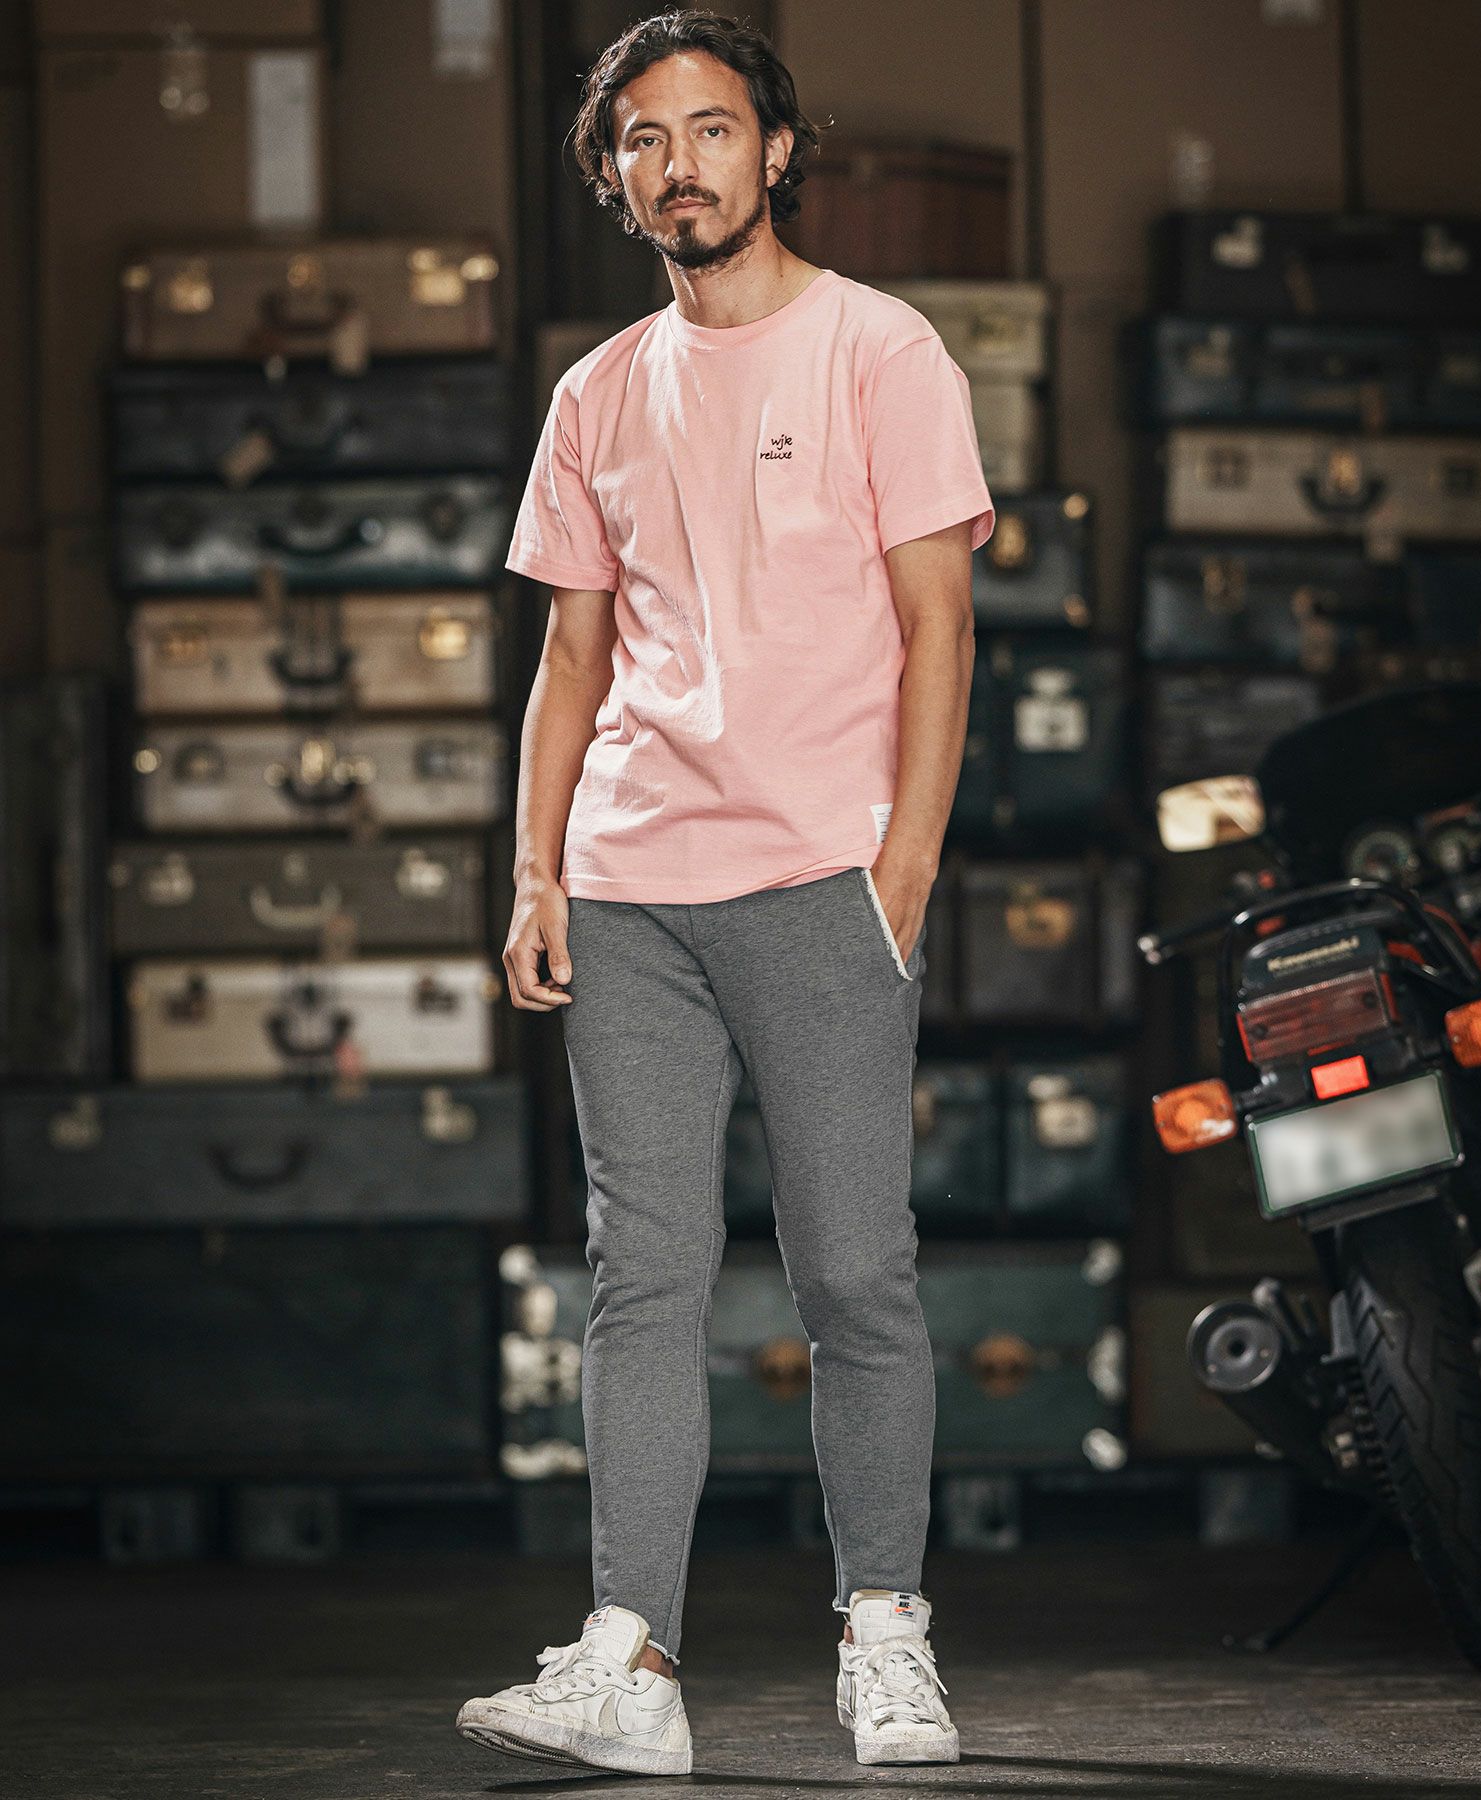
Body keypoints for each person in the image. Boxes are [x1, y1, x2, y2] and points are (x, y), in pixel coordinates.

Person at [457, 7, 994, 1777]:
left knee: (854, 1274)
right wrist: (536, 868)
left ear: (775, 148)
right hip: (631, 891)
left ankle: (886, 1635)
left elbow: (939, 628)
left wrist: (902, 866)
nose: (677, 163)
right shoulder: (598, 393)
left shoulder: (880, 349)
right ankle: (630, 1660)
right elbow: (571, 655)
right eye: (641, 139)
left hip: (824, 881)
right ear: (613, 180)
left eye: (708, 128)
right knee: (642, 1279)